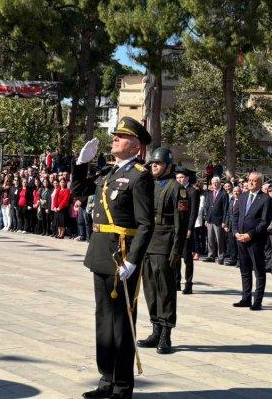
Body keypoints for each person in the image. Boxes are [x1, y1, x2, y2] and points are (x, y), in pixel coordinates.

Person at [71, 117, 153, 399]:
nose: (115, 138)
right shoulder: (107, 173)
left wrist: (134, 261)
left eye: (121, 136)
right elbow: (79, 192)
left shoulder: (140, 176)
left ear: (136, 146)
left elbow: (146, 224)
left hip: (122, 257)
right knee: (103, 320)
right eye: (115, 135)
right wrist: (81, 164)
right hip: (100, 253)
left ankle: (122, 386)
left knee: (121, 323)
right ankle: (106, 379)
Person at [136, 147, 189, 354]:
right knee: (150, 288)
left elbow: (181, 223)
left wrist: (177, 249)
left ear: (168, 165)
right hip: (148, 242)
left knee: (165, 289)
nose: (154, 166)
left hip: (165, 244)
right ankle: (155, 328)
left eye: (157, 163)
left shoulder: (177, 188)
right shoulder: (148, 184)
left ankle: (166, 332)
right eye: (153, 163)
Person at [231, 171, 272, 311]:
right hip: (240, 239)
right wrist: (236, 232)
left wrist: (250, 234)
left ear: (260, 183)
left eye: (254, 181)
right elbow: (235, 216)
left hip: (255, 240)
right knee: (244, 270)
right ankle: (246, 298)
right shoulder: (242, 196)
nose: (251, 182)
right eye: (249, 180)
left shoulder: (265, 199)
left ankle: (258, 301)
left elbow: (264, 222)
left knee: (259, 271)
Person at [203, 177, 228, 263]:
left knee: (219, 240)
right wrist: (206, 219)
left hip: (219, 220)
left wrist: (224, 221)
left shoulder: (224, 193)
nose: (214, 184)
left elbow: (225, 209)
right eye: (213, 182)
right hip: (210, 220)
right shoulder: (210, 193)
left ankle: (221, 257)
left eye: (216, 182)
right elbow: (207, 207)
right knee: (210, 239)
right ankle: (211, 255)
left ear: (219, 183)